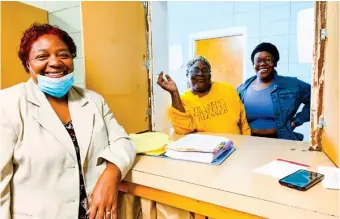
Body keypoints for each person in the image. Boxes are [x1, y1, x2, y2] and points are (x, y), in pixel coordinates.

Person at [0, 23, 136, 219]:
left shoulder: (93, 100)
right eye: (42, 56)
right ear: (28, 64)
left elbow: (123, 141)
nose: (55, 62)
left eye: (63, 54)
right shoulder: (8, 103)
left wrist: (111, 175)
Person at [158, 56, 251, 136]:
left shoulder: (227, 90)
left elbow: (243, 123)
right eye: (195, 70)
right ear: (187, 75)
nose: (200, 74)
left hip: (236, 146)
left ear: (210, 75)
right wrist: (174, 93)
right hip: (206, 151)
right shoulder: (182, 101)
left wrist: (247, 142)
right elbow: (183, 130)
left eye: (205, 70)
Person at [237, 42, 311, 141]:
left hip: (282, 141)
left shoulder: (291, 85)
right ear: (253, 64)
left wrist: (296, 122)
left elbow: (317, 98)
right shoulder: (242, 89)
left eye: (267, 59)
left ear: (275, 63)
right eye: (258, 60)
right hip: (249, 142)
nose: (262, 63)